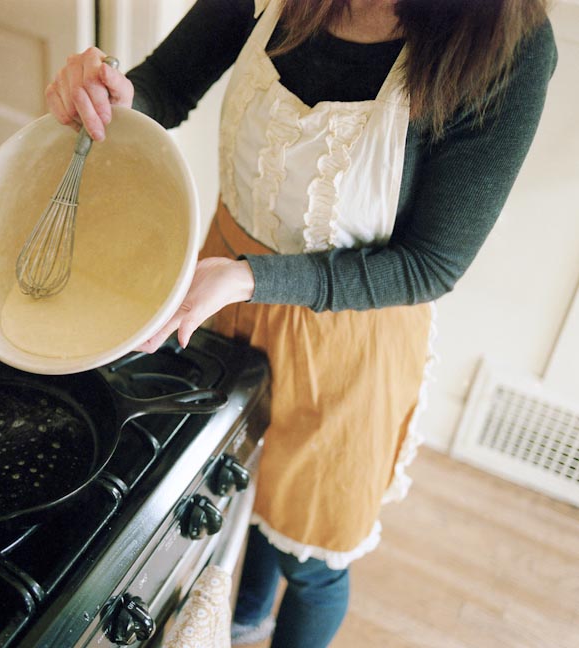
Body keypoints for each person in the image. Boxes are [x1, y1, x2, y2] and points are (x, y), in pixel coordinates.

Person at [45, 0, 557, 646]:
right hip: (217, 293)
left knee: (308, 557)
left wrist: (254, 276)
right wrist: (108, 97)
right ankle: (248, 611)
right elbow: (166, 86)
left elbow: (430, 263)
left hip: (344, 341)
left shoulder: (505, 47)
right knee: (224, 494)